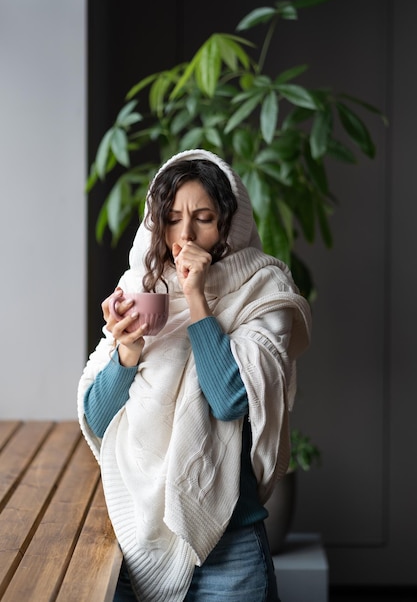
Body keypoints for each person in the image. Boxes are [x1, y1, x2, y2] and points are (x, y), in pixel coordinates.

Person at [77, 149, 312, 602]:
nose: (185, 234)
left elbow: (228, 400)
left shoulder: (264, 293)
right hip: (138, 538)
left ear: (230, 222)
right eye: (171, 218)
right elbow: (98, 418)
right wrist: (127, 351)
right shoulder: (138, 289)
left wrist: (198, 300)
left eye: (203, 218)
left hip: (231, 550)